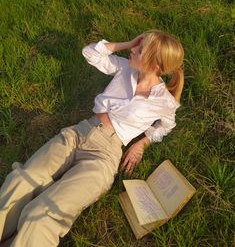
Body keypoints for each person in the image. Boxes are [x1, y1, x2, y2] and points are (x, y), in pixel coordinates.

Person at [0, 29, 184, 246]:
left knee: (42, 214)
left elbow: (166, 126)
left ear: (154, 65)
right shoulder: (124, 68)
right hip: (78, 133)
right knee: (22, 179)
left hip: (104, 156)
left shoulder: (165, 102)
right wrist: (126, 43)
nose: (134, 50)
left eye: (140, 49)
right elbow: (90, 53)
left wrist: (142, 143)